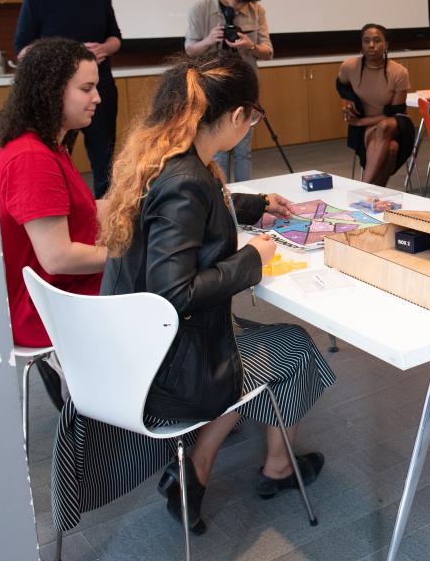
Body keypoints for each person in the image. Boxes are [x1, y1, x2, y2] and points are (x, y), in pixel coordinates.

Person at [97, 50, 334, 534]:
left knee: (250, 339)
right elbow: (174, 291)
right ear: (235, 116)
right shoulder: (188, 180)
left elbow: (195, 211)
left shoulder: (166, 160)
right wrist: (253, 260)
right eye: (253, 118)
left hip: (137, 346)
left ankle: (194, 469)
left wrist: (254, 204)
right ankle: (275, 467)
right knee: (295, 348)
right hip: (172, 367)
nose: (251, 128)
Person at [0, 37, 108, 407]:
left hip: (48, 290)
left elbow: (79, 211)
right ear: (52, 91)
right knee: (165, 278)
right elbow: (57, 258)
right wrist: (130, 250)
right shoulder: (31, 159)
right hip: (41, 306)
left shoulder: (45, 145)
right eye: (86, 88)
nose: (97, 98)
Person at [14, 0, 122, 198]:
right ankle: (61, 211)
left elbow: (115, 38)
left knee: (104, 159)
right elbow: (22, 50)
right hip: (58, 95)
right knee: (57, 158)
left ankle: (105, 218)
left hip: (101, 89)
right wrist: (65, 55)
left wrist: (104, 48)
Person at [185, 0, 275, 182]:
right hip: (212, 88)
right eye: (236, 0)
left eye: (244, 3)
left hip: (245, 87)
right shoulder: (201, 8)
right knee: (219, 150)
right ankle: (222, 196)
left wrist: (250, 46)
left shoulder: (257, 11)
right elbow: (189, 49)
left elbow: (268, 51)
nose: (239, 7)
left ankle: (246, 198)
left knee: (243, 150)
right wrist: (208, 41)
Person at [336, 23, 415, 186]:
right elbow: (341, 85)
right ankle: (375, 195)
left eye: (377, 40)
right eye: (366, 41)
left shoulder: (399, 72)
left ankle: (363, 186)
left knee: (385, 126)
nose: (371, 45)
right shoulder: (349, 67)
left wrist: (359, 122)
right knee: (391, 149)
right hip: (369, 128)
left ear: (386, 44)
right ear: (361, 45)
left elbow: (396, 113)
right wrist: (348, 101)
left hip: (395, 124)